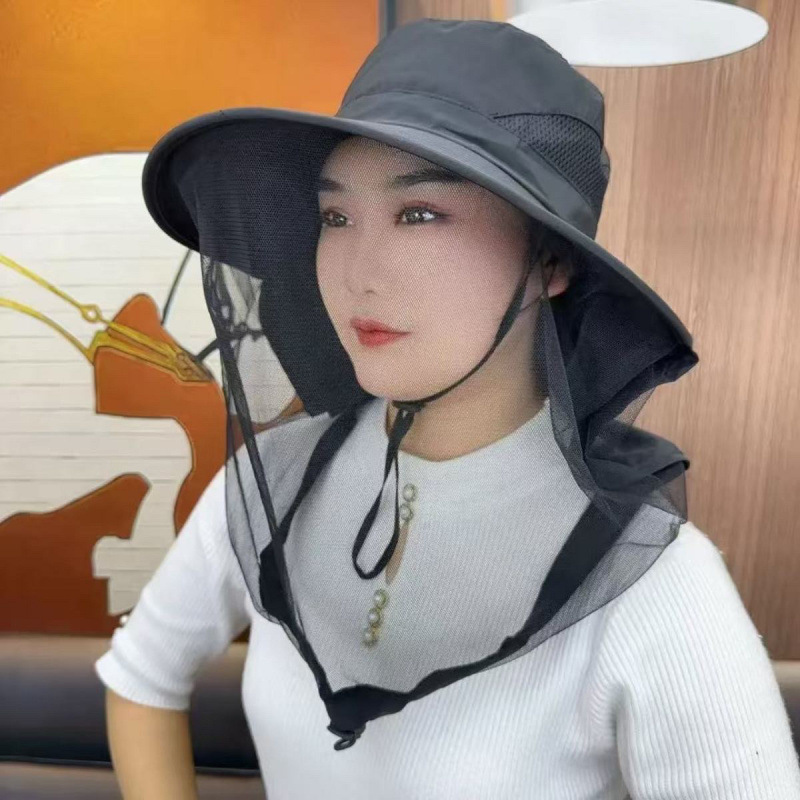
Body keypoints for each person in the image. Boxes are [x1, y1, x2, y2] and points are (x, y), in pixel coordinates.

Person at [95, 17, 800, 799]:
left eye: (420, 213)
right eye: (335, 217)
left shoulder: (650, 583)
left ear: (550, 261)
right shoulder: (276, 479)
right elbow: (140, 679)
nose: (359, 273)